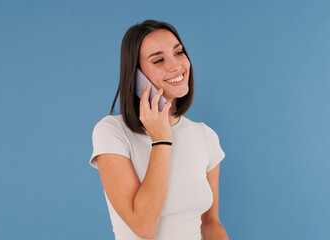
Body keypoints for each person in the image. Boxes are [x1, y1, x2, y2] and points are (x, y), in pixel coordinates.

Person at [89, 20, 228, 240]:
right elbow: (144, 226)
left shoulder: (205, 136)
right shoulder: (112, 132)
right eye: (159, 60)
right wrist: (161, 140)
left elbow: (210, 224)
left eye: (179, 53)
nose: (176, 66)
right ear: (135, 76)